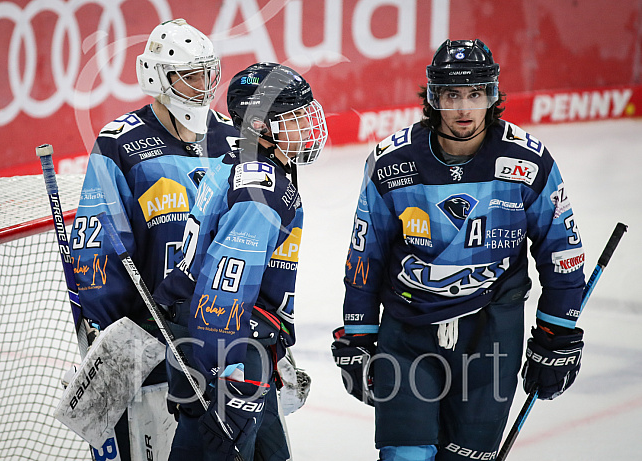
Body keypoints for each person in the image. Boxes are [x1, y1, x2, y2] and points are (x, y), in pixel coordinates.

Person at [331, 39, 586, 461]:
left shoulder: (529, 162)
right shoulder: (392, 162)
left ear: (492, 96)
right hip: (407, 333)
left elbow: (562, 253)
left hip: (491, 336)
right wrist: (359, 333)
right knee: (405, 456)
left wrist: (557, 334)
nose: (464, 109)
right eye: (452, 95)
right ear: (434, 98)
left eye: (475, 94)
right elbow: (365, 255)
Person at [69, 18, 237, 461]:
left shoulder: (233, 139)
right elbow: (96, 242)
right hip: (150, 341)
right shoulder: (121, 144)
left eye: (208, 72)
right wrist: (110, 333)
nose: (203, 86)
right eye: (189, 75)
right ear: (157, 78)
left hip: (223, 337)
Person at [153, 62, 328, 460]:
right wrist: (225, 379)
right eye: (294, 118)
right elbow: (223, 291)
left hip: (237, 343)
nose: (307, 126)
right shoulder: (258, 195)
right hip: (224, 353)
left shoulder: (243, 165)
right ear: (258, 127)